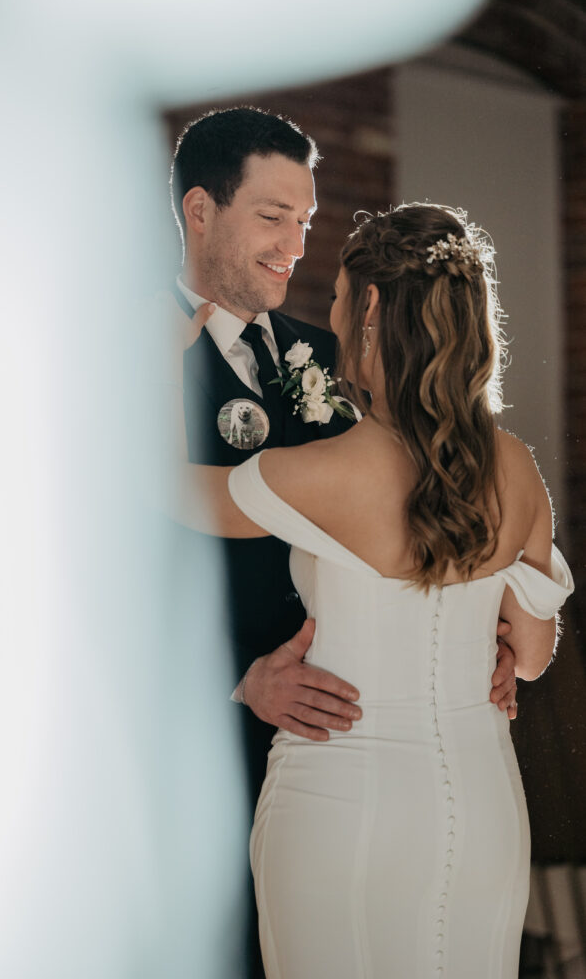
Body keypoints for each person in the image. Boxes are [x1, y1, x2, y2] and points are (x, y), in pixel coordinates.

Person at [170, 201, 574, 978]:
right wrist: (483, 637)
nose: (327, 313)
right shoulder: (516, 468)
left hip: (340, 802)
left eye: (335, 298)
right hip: (481, 806)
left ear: (373, 308)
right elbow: (528, 657)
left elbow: (164, 493)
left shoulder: (327, 471)